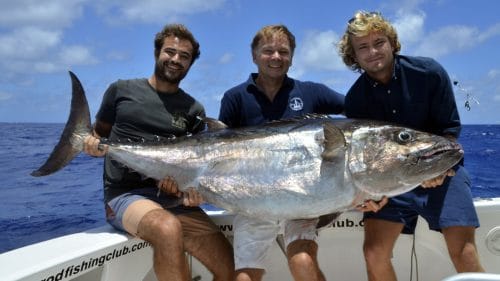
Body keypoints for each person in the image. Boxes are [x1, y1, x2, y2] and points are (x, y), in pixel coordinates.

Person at [337, 11, 484, 281]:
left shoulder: (429, 73)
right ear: (354, 57)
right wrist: (369, 193)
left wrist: (436, 171)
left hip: (442, 175)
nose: (373, 52)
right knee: (373, 252)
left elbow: (449, 133)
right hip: (391, 185)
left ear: (392, 43)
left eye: (379, 42)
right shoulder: (355, 98)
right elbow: (367, 159)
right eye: (363, 48)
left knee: (463, 251)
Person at [83, 23, 234, 281]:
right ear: (157, 53)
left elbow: (192, 166)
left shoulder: (193, 109)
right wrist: (89, 143)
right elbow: (99, 135)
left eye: (184, 56)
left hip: (171, 200)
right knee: (167, 228)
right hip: (125, 196)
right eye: (170, 52)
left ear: (190, 64)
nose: (176, 59)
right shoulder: (121, 91)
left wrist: (191, 194)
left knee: (231, 270)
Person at [218, 24, 346, 281]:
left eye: (283, 51)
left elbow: (359, 108)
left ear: (292, 57)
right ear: (254, 55)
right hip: (254, 201)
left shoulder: (311, 92)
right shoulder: (235, 97)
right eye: (268, 51)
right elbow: (219, 153)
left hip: (302, 200)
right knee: (244, 277)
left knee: (303, 261)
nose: (276, 57)